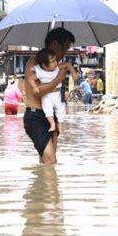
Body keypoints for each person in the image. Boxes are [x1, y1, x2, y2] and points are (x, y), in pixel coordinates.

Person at [23, 28, 74, 165]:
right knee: (51, 160)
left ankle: (43, 186)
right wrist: (58, 79)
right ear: (56, 44)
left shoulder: (57, 67)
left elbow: (54, 92)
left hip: (52, 115)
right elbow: (38, 91)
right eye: (66, 48)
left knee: (47, 162)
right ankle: (49, 186)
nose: (66, 53)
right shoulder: (34, 63)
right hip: (35, 117)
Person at [28, 48, 79, 134]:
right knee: (47, 109)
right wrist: (35, 87)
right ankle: (52, 124)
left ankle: (60, 124)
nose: (56, 62)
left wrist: (73, 73)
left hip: (58, 94)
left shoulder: (57, 68)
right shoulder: (40, 72)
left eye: (55, 60)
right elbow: (31, 79)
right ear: (44, 65)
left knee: (61, 109)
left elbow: (67, 64)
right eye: (52, 61)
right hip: (47, 95)